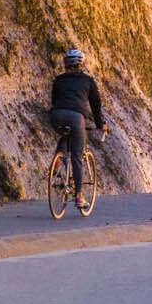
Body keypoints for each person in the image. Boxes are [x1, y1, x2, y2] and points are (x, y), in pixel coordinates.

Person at [48, 47, 106, 210]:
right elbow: (96, 105)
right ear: (82, 64)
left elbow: (54, 100)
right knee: (77, 156)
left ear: (65, 64)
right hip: (76, 117)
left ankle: (58, 163)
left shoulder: (58, 80)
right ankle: (79, 197)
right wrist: (101, 125)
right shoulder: (87, 81)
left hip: (56, 115)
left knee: (64, 136)